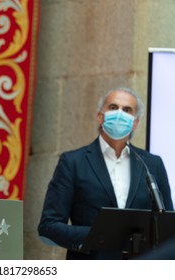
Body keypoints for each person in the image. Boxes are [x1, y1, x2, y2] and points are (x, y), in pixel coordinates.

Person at [37, 87, 174, 260]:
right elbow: (49, 226)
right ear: (100, 116)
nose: (119, 114)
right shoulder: (73, 162)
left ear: (136, 122)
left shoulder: (152, 164)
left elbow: (168, 226)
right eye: (113, 107)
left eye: (127, 110)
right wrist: (99, 235)